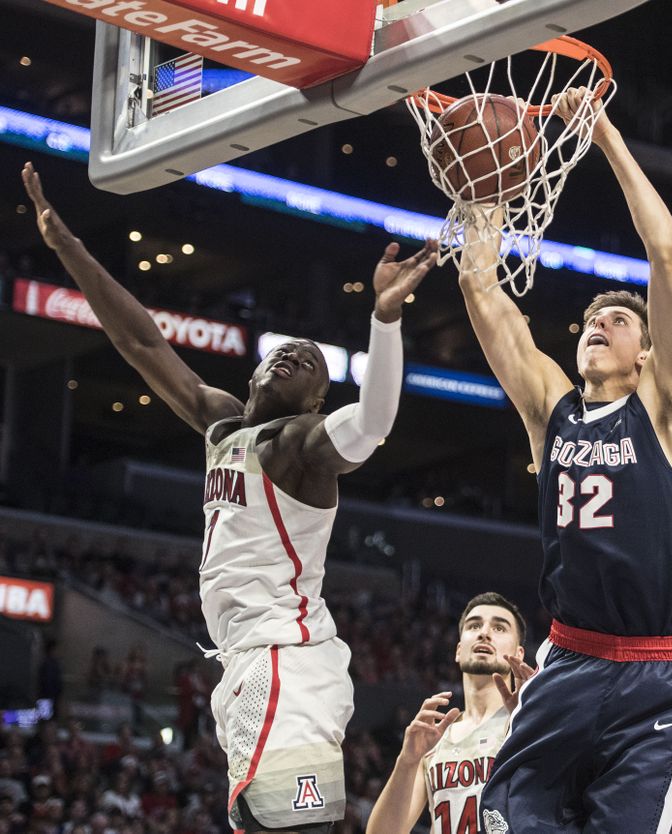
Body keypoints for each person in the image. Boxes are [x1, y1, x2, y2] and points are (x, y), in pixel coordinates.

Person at [21, 162, 438, 833]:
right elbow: (139, 340)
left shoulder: (299, 447)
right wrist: (67, 245)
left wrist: (384, 321)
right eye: (288, 350)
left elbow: (375, 423)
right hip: (253, 662)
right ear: (253, 373)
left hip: (285, 663)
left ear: (316, 402)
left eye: (311, 363)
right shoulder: (222, 423)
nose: (297, 355)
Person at [457, 89, 672, 832]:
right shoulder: (551, 410)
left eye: (618, 320)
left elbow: (667, 253)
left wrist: (605, 138)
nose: (598, 325)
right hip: (568, 661)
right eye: (590, 320)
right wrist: (487, 190)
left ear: (648, 352)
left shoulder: (668, 408)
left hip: (655, 676)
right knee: (500, 820)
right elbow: (480, 286)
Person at [367, 592, 534, 834]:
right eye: (474, 625)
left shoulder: (529, 724)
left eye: (499, 628)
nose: (484, 632)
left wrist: (533, 722)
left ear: (519, 654)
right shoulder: (435, 738)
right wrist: (407, 762)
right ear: (458, 650)